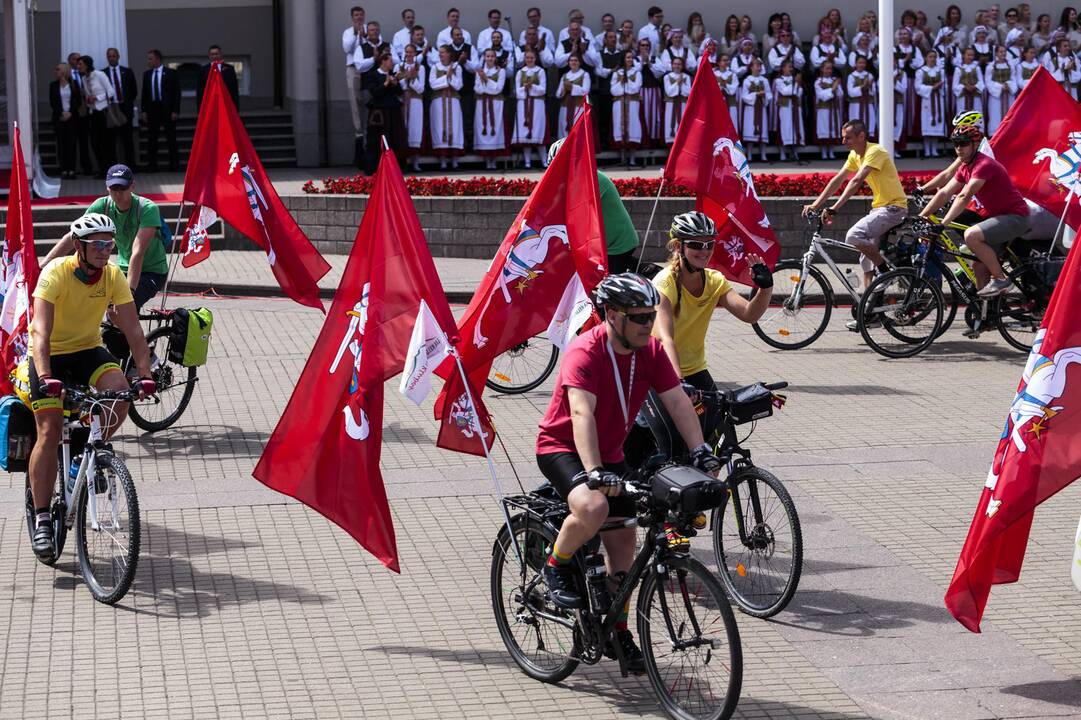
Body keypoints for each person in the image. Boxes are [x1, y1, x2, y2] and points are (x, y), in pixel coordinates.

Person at [534, 272, 720, 671]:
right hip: (564, 448)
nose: (648, 324)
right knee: (593, 507)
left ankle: (617, 631)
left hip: (612, 452)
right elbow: (581, 413)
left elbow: (677, 403)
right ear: (612, 316)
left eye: (651, 315)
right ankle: (556, 564)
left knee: (625, 544)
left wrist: (701, 451)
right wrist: (594, 473)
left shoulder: (649, 351)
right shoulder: (584, 351)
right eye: (639, 317)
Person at [25, 213, 155, 559]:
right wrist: (46, 374)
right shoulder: (56, 274)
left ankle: (82, 455)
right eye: (97, 243)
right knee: (50, 432)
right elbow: (40, 333)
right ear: (79, 247)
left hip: (87, 350)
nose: (104, 250)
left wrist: (144, 374)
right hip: (50, 354)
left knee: (119, 397)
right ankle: (41, 518)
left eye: (109, 243)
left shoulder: (112, 276)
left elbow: (134, 332)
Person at [652, 211, 773, 392]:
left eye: (709, 244)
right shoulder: (664, 283)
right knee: (677, 420)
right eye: (696, 245)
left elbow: (749, 314)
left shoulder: (714, 280)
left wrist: (765, 288)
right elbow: (665, 338)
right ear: (678, 246)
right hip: (659, 369)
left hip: (695, 369)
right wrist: (678, 381)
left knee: (719, 419)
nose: (705, 251)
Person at [801, 120, 908, 307]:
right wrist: (816, 204)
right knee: (865, 258)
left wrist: (834, 209)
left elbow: (856, 180)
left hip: (894, 208)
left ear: (861, 136)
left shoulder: (875, 152)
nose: (844, 142)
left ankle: (885, 271)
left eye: (848, 138)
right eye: (843, 137)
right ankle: (870, 310)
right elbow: (838, 179)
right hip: (880, 209)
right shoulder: (854, 155)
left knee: (853, 236)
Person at [919, 124, 1031, 298]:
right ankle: (987, 314)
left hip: (1016, 217)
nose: (958, 148)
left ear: (975, 144)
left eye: (963, 144)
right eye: (955, 144)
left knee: (971, 235)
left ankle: (1001, 280)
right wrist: (921, 216)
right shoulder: (966, 167)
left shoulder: (983, 164)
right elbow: (945, 192)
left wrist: (943, 224)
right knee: (979, 266)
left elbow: (964, 196)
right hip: (999, 217)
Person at [43, 164, 170, 312]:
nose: (118, 194)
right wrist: (43, 266)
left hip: (153, 271)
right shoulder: (102, 206)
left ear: (132, 186)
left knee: (125, 310)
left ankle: (136, 335)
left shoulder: (147, 209)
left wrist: (129, 292)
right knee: (99, 306)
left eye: (123, 188)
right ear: (107, 187)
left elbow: (138, 252)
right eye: (114, 189)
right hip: (123, 268)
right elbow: (73, 236)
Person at [354, 22, 391, 167]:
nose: (374, 32)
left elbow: (395, 62)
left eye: (376, 29)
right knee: (368, 124)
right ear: (367, 32)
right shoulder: (361, 48)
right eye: (371, 30)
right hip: (369, 89)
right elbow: (359, 66)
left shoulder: (387, 45)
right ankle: (369, 159)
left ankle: (387, 156)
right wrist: (374, 59)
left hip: (386, 90)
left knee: (387, 124)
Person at [365, 52, 405, 174]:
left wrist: (395, 84)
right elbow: (374, 92)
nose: (392, 63)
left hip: (393, 111)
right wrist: (386, 83)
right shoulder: (373, 75)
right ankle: (376, 166)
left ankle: (395, 166)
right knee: (378, 139)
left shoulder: (392, 74)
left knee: (395, 137)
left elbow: (399, 92)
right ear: (383, 61)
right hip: (380, 113)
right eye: (390, 61)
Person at [140, 50, 180, 172]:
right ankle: (152, 165)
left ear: (157, 59)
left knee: (171, 138)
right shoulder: (147, 74)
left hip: (167, 110)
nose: (149, 61)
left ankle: (174, 165)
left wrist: (175, 110)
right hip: (153, 110)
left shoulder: (171, 73)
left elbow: (176, 93)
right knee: (152, 139)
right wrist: (144, 111)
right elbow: (144, 94)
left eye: (150, 59)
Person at [76, 55, 117, 174]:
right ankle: (102, 169)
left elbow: (111, 92)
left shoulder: (99, 75)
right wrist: (88, 100)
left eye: (80, 64)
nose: (78, 67)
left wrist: (97, 98)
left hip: (104, 112)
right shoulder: (84, 79)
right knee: (95, 142)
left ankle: (111, 171)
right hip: (92, 113)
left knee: (107, 143)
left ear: (87, 65)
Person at [429, 46, 464, 169]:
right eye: (440, 53)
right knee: (439, 128)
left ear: (449, 54)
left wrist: (450, 76)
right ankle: (443, 161)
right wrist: (446, 77)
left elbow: (459, 86)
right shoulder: (435, 67)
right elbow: (433, 85)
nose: (440, 55)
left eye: (443, 53)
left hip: (453, 101)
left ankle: (455, 161)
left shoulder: (457, 67)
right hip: (438, 102)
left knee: (455, 128)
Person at [104, 48, 137, 168]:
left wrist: (126, 103)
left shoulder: (127, 72)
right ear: (107, 58)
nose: (112, 58)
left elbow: (133, 91)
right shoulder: (103, 73)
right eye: (109, 56)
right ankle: (112, 166)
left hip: (125, 108)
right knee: (111, 140)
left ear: (118, 57)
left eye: (114, 56)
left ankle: (131, 166)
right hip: (112, 109)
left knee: (127, 139)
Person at [474, 49, 507, 169]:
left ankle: (494, 159)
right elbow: (478, 89)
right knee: (483, 127)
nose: (490, 58)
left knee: (495, 127)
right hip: (482, 103)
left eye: (492, 56)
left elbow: (498, 89)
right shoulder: (480, 72)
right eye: (487, 56)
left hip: (496, 104)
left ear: (495, 58)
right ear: (484, 57)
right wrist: (487, 86)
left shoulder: (501, 71)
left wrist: (486, 80)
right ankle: (487, 160)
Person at [396, 45, 426, 172]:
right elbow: (399, 86)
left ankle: (416, 162)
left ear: (415, 54)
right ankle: (403, 161)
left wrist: (410, 79)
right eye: (406, 52)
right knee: (403, 127)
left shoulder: (420, 68)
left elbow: (421, 88)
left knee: (415, 129)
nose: (408, 54)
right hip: (403, 100)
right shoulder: (399, 67)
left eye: (411, 52)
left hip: (415, 101)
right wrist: (407, 78)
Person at [50, 62, 83, 179]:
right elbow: (53, 102)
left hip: (72, 118)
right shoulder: (53, 85)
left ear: (64, 71)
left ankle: (71, 169)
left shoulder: (73, 85)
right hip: (59, 118)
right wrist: (61, 113)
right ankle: (63, 169)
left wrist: (70, 113)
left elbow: (78, 101)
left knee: (71, 144)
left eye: (58, 69)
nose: (56, 72)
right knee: (61, 144)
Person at [610, 49, 643, 166]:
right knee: (620, 126)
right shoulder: (617, 73)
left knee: (633, 126)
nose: (630, 60)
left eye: (631, 58)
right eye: (627, 57)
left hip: (632, 103)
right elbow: (613, 91)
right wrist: (621, 83)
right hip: (619, 103)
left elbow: (636, 88)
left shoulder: (637, 73)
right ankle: (623, 158)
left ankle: (633, 159)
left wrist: (627, 81)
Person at [342, 7, 368, 145]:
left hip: (367, 69)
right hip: (353, 69)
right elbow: (347, 49)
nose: (359, 17)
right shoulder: (348, 32)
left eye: (361, 15)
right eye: (356, 15)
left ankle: (369, 131)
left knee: (369, 100)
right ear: (352, 17)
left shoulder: (369, 29)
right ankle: (359, 133)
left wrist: (365, 36)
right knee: (355, 102)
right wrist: (356, 35)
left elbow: (375, 43)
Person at [915, 49, 948, 157]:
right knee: (927, 122)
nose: (932, 59)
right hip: (927, 100)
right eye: (930, 57)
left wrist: (940, 87)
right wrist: (932, 87)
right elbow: (918, 86)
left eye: (934, 57)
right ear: (926, 58)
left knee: (937, 123)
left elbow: (946, 86)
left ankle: (934, 149)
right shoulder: (921, 71)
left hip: (938, 99)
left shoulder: (941, 71)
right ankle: (927, 149)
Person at [770, 60, 803, 162]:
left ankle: (794, 152)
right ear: (783, 68)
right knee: (784, 129)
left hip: (794, 106)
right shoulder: (778, 80)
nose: (791, 69)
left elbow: (799, 92)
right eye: (789, 67)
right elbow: (785, 91)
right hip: (784, 107)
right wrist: (795, 85)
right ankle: (782, 154)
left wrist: (796, 85)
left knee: (794, 128)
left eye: (792, 67)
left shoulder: (795, 79)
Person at [66, 51, 93, 176]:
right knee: (71, 142)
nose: (77, 62)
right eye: (74, 59)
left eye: (79, 60)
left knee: (84, 142)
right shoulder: (67, 75)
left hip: (84, 112)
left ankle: (87, 168)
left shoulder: (85, 75)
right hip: (72, 113)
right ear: (69, 61)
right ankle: (71, 169)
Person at [739, 58, 770, 162]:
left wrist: (765, 95)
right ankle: (749, 155)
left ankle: (763, 155)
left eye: (760, 66)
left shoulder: (764, 80)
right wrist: (756, 94)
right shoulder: (747, 80)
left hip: (761, 107)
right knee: (750, 131)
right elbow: (744, 96)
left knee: (763, 131)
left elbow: (769, 94)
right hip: (751, 109)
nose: (759, 68)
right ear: (751, 67)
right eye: (757, 65)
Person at [813, 60, 844, 159]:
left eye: (830, 68)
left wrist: (831, 90)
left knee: (833, 128)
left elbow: (840, 94)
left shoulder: (835, 80)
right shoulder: (818, 81)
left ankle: (831, 151)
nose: (829, 70)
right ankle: (823, 152)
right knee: (824, 128)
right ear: (822, 69)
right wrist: (832, 89)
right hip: (823, 109)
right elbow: (821, 96)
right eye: (827, 68)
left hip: (834, 109)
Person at [556, 54, 590, 139]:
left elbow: (586, 91)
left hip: (578, 107)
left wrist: (572, 87)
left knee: (577, 128)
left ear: (579, 62)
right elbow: (558, 94)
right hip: (566, 107)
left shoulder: (584, 75)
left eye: (576, 60)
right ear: (568, 63)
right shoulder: (565, 76)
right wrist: (564, 89)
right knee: (564, 128)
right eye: (571, 60)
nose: (573, 62)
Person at [985, 46, 1016, 136]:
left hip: (1008, 93)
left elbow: (1013, 78)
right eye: (1001, 52)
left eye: (1004, 51)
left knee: (1009, 113)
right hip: (996, 96)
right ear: (996, 53)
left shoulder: (1010, 65)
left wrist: (1009, 85)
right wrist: (1000, 87)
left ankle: (1009, 133)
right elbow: (988, 81)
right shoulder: (990, 66)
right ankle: (995, 134)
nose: (1003, 53)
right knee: (995, 114)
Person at [197, 45, 240, 110]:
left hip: (226, 104)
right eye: (212, 54)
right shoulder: (203, 70)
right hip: (209, 105)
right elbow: (200, 91)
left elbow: (234, 89)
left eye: (216, 54)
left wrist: (236, 108)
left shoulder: (229, 69)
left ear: (220, 55)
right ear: (209, 56)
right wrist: (200, 109)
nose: (214, 56)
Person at [846, 55, 878, 139]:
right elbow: (850, 92)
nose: (862, 65)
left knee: (869, 123)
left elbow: (874, 91)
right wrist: (862, 86)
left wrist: (870, 86)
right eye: (860, 62)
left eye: (863, 63)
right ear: (855, 64)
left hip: (868, 104)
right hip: (856, 105)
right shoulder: (851, 76)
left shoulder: (869, 75)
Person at [661, 57, 689, 147]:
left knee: (683, 124)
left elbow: (687, 92)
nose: (677, 66)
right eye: (675, 64)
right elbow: (669, 92)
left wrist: (682, 84)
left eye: (679, 64)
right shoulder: (667, 77)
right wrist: (677, 82)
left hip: (683, 105)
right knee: (670, 124)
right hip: (671, 105)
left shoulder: (686, 77)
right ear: (672, 65)